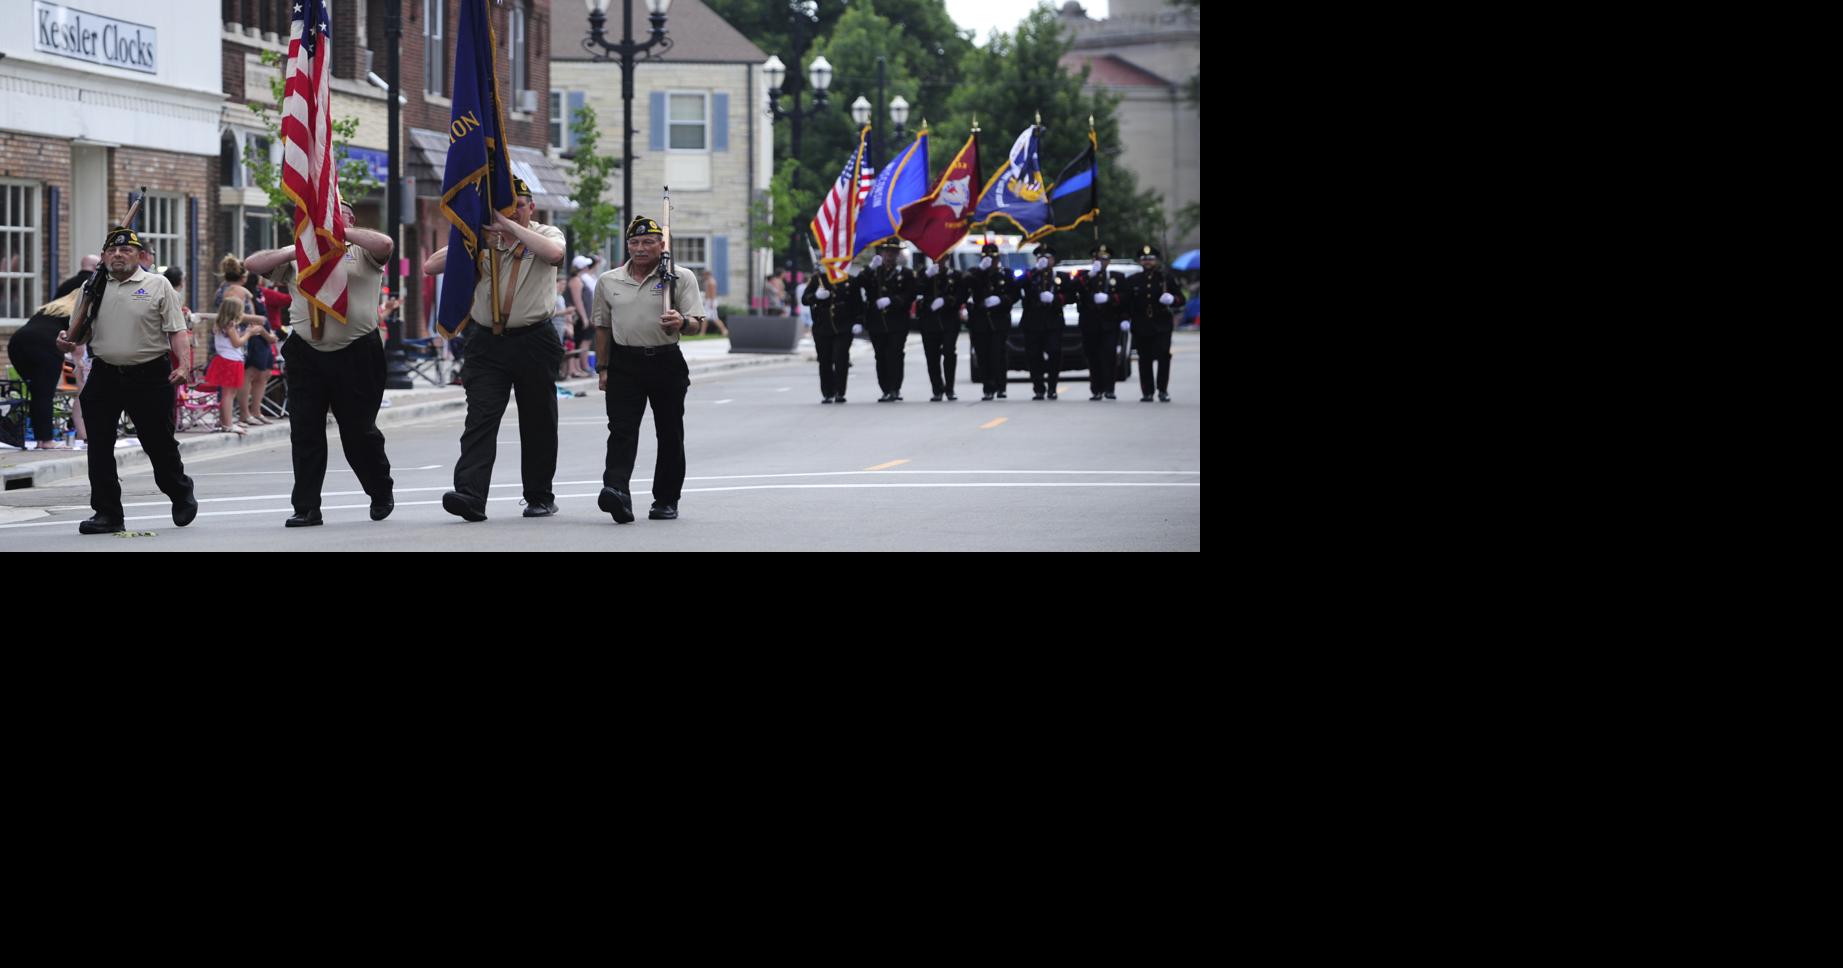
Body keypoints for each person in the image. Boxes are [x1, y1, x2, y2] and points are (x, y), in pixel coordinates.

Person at [245, 200, 397, 526]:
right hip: (307, 352)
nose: (322, 217)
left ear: (350, 218)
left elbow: (385, 244)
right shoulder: (300, 252)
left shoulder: (363, 251)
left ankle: (379, 489)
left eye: (332, 211)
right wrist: (296, 249)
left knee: (358, 433)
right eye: (316, 212)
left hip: (357, 352)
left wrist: (340, 232)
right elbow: (252, 263)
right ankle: (306, 506)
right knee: (305, 432)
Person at [422, 178, 566, 521]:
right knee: (480, 418)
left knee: (538, 420)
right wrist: (472, 237)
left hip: (534, 338)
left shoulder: (546, 233)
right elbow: (431, 266)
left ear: (532, 207)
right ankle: (470, 494)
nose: (513, 209)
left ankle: (539, 495)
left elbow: (555, 255)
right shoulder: (483, 239)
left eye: (520, 203)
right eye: (505, 203)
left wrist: (512, 228)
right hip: (487, 341)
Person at [54, 225, 196, 534]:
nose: (118, 255)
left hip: (149, 374)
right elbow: (80, 332)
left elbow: (177, 331)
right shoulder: (91, 290)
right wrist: (66, 341)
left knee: (158, 444)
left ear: (140, 256)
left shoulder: (158, 285)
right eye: (112, 251)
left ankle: (180, 491)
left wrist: (184, 365)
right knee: (100, 446)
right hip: (105, 373)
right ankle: (107, 513)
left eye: (126, 250)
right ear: (104, 257)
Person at [591, 215, 706, 524]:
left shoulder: (679, 278)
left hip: (665, 361)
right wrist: (603, 368)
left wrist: (682, 321)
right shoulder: (609, 280)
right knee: (621, 431)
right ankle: (616, 491)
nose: (640, 248)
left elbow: (699, 324)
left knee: (669, 432)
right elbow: (601, 327)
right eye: (634, 242)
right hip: (624, 363)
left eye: (647, 242)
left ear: (661, 245)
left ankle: (666, 499)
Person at [7, 290, 80, 449]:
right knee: (44, 394)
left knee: (38, 393)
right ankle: (46, 440)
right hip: (45, 345)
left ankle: (41, 439)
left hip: (17, 343)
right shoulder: (78, 311)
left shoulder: (53, 307)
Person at [1122, 245, 1187, 403]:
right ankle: (1147, 392)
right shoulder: (1133, 280)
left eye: (1150, 259)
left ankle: (1163, 390)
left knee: (1164, 355)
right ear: (1140, 262)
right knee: (1144, 359)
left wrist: (1172, 300)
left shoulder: (1166, 278)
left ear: (1156, 261)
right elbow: (1126, 303)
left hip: (1162, 324)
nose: (1147, 262)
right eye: (1144, 259)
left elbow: (1181, 299)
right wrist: (1124, 319)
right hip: (1141, 324)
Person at [854, 240, 915, 402]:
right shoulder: (873, 272)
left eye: (893, 252)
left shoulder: (905, 273)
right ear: (881, 253)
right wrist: (869, 268)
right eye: (887, 251)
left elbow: (910, 295)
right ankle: (885, 389)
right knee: (880, 356)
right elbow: (857, 284)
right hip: (877, 321)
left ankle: (895, 388)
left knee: (895, 354)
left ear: (897, 254)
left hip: (897, 321)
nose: (889, 255)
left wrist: (893, 300)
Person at [1019, 243, 1077, 400]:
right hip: (1032, 322)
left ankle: (1052, 387)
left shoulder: (1061, 277)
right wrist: (1035, 270)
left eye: (1047, 258)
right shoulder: (1029, 275)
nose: (1044, 261)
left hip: (1053, 321)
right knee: (1033, 356)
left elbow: (1072, 296)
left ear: (1053, 260)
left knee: (1054, 353)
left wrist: (1057, 299)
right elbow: (1017, 285)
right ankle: (1038, 388)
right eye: (1040, 258)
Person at [201, 294, 265, 434]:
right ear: (235, 311)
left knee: (228, 393)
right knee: (228, 394)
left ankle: (225, 422)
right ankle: (228, 424)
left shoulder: (222, 323)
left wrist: (246, 332)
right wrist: (249, 333)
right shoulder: (230, 324)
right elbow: (237, 343)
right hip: (230, 361)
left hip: (225, 359)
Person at [963, 241, 1015, 401]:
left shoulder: (1005, 274)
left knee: (998, 354)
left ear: (998, 258)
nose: (992, 261)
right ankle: (988, 387)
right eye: (987, 258)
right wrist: (981, 270)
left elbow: (1015, 294)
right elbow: (966, 285)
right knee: (983, 355)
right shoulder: (974, 273)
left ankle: (1001, 387)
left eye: (993, 258)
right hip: (980, 322)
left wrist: (1001, 300)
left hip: (999, 320)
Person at [1075, 245, 1128, 401]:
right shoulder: (1084, 275)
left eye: (1104, 259)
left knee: (1109, 355)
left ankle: (1109, 389)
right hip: (1090, 323)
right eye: (1097, 259)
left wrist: (1111, 300)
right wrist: (1091, 274)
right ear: (1092, 260)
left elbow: (1125, 297)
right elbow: (1073, 288)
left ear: (1109, 261)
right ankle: (1096, 389)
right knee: (1093, 357)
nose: (1101, 262)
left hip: (1109, 323)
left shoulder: (1117, 277)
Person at [802, 266, 860, 404]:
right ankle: (828, 392)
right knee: (824, 360)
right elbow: (804, 299)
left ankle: (840, 391)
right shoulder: (817, 279)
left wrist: (859, 321)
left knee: (841, 358)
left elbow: (857, 303)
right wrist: (816, 296)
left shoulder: (848, 280)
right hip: (823, 325)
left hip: (843, 325)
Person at [913, 255, 962, 401]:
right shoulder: (923, 274)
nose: (939, 261)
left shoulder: (955, 275)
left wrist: (946, 301)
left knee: (949, 352)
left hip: (949, 321)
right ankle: (937, 389)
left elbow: (961, 295)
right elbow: (915, 291)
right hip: (929, 321)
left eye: (942, 258)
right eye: (936, 258)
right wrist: (927, 276)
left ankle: (950, 388)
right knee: (932, 357)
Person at [701, 270, 730, 337]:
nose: (704, 276)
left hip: (710, 302)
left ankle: (724, 330)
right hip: (709, 301)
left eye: (704, 275)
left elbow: (713, 293)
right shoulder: (709, 281)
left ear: (707, 275)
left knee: (713, 318)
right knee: (709, 318)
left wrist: (711, 303)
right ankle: (703, 332)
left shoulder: (711, 282)